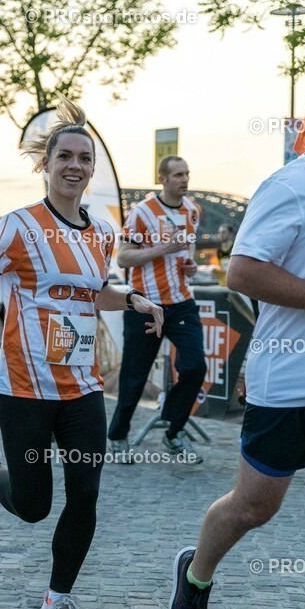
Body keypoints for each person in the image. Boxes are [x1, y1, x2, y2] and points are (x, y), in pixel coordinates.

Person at [0, 98, 163, 609]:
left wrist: (134, 300)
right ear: (47, 163)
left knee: (85, 493)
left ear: (92, 168)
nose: (75, 166)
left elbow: (94, 294)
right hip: (23, 387)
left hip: (81, 387)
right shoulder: (17, 227)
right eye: (65, 156)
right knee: (35, 506)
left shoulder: (101, 232)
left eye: (84, 158)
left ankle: (57, 603)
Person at [170, 72, 305, 609]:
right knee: (252, 507)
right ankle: (196, 576)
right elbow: (243, 272)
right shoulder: (290, 186)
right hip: (290, 382)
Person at [107, 156, 207, 463]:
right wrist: (163, 249)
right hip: (145, 303)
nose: (184, 179)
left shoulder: (193, 211)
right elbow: (123, 258)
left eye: (187, 173)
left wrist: (190, 267)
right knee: (135, 376)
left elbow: (185, 258)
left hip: (181, 302)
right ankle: (118, 436)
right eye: (177, 174)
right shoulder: (142, 212)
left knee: (195, 366)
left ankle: (173, 430)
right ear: (162, 179)